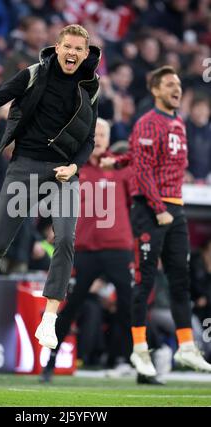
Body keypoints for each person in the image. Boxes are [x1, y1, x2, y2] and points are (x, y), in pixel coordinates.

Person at [0, 24, 101, 350]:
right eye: (68, 47)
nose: (72, 53)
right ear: (57, 47)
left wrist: (74, 166)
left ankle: (49, 317)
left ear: (85, 54)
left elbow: (88, 139)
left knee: (64, 240)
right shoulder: (33, 73)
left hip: (64, 172)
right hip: (26, 165)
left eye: (79, 49)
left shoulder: (92, 87)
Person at [101, 65, 211, 376]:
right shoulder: (148, 122)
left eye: (178, 84)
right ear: (155, 90)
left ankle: (187, 348)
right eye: (169, 85)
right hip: (152, 209)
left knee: (180, 279)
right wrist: (157, 205)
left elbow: (137, 157)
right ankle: (139, 350)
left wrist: (117, 159)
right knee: (144, 280)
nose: (177, 89)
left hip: (175, 207)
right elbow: (144, 170)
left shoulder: (178, 122)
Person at [40, 118, 134, 381]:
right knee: (69, 307)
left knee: (128, 304)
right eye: (96, 133)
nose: (101, 138)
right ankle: (50, 362)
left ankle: (123, 359)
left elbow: (134, 203)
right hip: (85, 249)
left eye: (104, 133)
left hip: (117, 247)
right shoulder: (74, 168)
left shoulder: (121, 165)